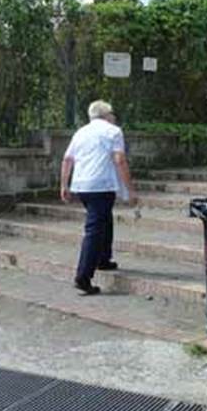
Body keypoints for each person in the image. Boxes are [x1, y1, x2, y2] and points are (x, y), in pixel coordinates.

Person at [59, 100, 138, 295]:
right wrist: (130, 190)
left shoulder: (81, 132)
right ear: (107, 115)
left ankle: (103, 258)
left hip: (82, 185)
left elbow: (67, 159)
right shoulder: (113, 131)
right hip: (101, 185)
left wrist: (64, 185)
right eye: (113, 114)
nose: (114, 117)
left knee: (104, 218)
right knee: (94, 228)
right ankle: (83, 277)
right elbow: (119, 160)